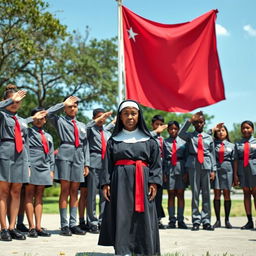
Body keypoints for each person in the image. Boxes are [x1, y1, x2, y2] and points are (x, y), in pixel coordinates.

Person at [98, 99, 162, 256]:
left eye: (133, 113)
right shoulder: (114, 140)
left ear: (139, 115)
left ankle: (144, 249)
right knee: (122, 214)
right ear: (120, 117)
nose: (130, 117)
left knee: (142, 215)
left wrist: (153, 182)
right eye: (126, 114)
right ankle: (123, 250)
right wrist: (106, 183)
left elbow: (155, 163)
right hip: (120, 182)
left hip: (143, 180)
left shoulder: (149, 140)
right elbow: (107, 163)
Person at [47, 96, 89, 236]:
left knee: (74, 191)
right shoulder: (60, 120)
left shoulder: (82, 125)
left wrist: (86, 163)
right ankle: (64, 225)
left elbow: (86, 146)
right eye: (70, 106)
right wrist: (62, 103)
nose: (72, 108)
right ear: (65, 108)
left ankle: (73, 223)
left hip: (78, 158)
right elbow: (49, 113)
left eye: (75, 106)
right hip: (65, 155)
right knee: (65, 190)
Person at [178, 111, 216, 231]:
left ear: (204, 123)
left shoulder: (209, 137)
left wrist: (213, 169)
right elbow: (180, 133)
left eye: (200, 122)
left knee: (206, 194)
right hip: (193, 164)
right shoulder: (190, 136)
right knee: (195, 194)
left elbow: (212, 154)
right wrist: (189, 121)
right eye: (196, 123)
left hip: (206, 164)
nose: (198, 124)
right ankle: (196, 220)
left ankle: (206, 221)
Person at [0, 85, 28, 241]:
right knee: (3, 192)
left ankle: (12, 227)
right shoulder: (2, 115)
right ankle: (3, 228)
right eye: (11, 100)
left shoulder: (23, 121)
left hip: (20, 156)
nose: (15, 103)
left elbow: (27, 143)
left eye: (18, 101)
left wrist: (28, 164)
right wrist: (10, 100)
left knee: (16, 192)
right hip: (5, 153)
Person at [81, 108, 114, 233]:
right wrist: (86, 165)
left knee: (104, 194)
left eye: (104, 117)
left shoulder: (106, 132)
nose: (102, 119)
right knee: (92, 195)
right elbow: (86, 127)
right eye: (99, 117)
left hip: (105, 165)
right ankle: (92, 222)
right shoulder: (90, 130)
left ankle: (102, 220)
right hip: (93, 163)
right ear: (94, 117)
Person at [25, 107, 54, 237]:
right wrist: (28, 166)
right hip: (31, 164)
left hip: (44, 166)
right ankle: (31, 227)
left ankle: (38, 226)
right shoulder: (27, 131)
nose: (39, 120)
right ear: (32, 119)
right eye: (36, 117)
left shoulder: (48, 136)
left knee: (39, 195)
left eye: (42, 118)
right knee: (29, 193)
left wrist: (51, 169)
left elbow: (51, 154)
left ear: (45, 120)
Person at [163, 121, 188, 229]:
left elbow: (187, 157)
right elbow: (163, 158)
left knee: (180, 194)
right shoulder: (165, 142)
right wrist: (164, 173)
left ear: (178, 130)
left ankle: (181, 220)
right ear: (168, 130)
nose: (173, 131)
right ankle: (172, 220)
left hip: (181, 167)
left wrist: (186, 172)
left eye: (175, 129)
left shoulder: (183, 142)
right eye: (171, 129)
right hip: (169, 168)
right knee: (171, 194)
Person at [211, 123, 234, 229]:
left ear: (226, 132)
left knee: (227, 194)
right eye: (218, 131)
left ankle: (227, 220)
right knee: (216, 194)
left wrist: (235, 176)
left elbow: (235, 161)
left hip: (228, 170)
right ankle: (218, 220)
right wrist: (212, 129)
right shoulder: (212, 143)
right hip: (216, 170)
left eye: (223, 130)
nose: (221, 132)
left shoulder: (232, 145)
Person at [234, 120, 256, 230]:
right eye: (243, 128)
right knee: (246, 194)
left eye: (248, 127)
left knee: (255, 194)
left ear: (253, 129)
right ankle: (249, 221)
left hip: (254, 170)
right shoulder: (237, 143)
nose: (245, 130)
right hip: (243, 171)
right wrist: (235, 175)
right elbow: (236, 160)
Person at [150, 115, 167, 229]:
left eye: (161, 124)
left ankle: (158, 219)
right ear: (153, 125)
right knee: (150, 194)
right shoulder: (149, 136)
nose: (159, 127)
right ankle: (150, 219)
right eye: (157, 124)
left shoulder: (163, 140)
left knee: (159, 196)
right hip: (151, 169)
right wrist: (156, 131)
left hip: (161, 170)